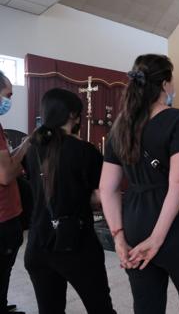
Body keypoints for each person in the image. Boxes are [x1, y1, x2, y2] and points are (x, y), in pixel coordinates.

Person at [99, 54, 179, 314]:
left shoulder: (120, 127)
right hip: (175, 225)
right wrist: (158, 237)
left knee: (146, 306)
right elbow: (177, 182)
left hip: (134, 223)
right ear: (165, 84)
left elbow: (107, 188)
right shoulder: (177, 119)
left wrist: (118, 239)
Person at [23, 88, 116, 314]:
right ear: (73, 115)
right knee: (100, 309)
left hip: (37, 245)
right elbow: (103, 195)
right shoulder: (85, 152)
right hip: (76, 244)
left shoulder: (31, 150)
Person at [0, 71, 29, 314]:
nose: (9, 101)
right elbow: (6, 175)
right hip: (2, 215)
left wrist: (20, 147)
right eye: (7, 95)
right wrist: (26, 149)